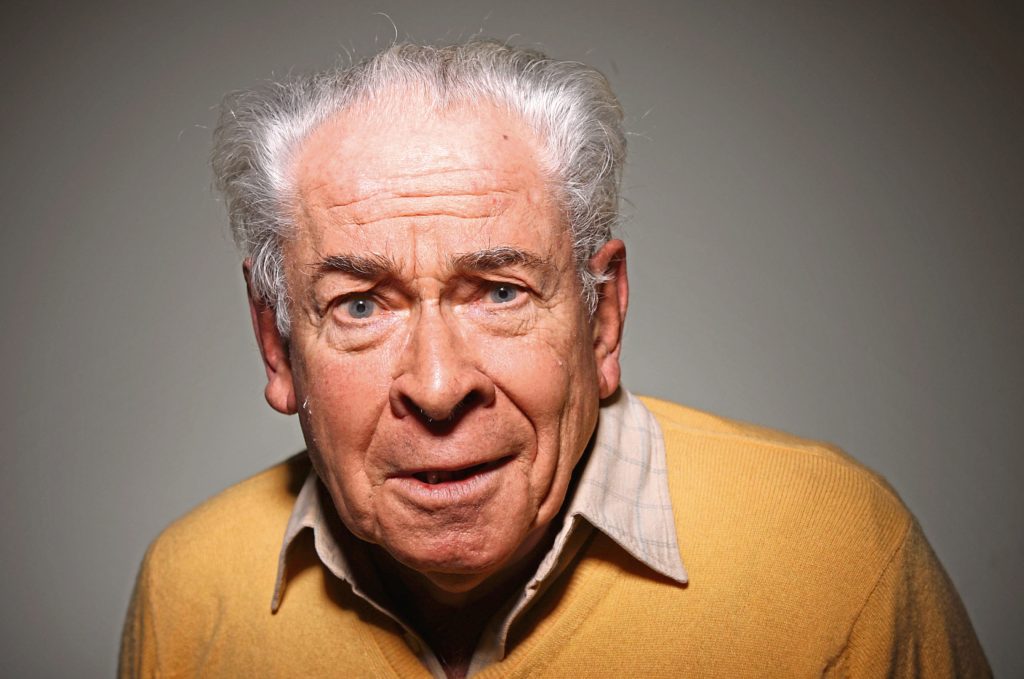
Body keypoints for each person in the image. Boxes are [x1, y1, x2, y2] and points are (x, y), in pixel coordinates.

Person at [120, 40, 990, 678]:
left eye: (499, 290)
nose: (436, 385)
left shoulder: (833, 553)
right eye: (359, 304)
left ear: (602, 316)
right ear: (276, 341)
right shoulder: (189, 592)